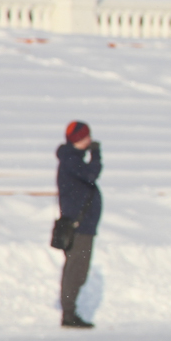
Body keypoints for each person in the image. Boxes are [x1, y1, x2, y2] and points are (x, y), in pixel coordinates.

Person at [56, 121, 102, 329]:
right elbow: (92, 174)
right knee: (76, 270)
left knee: (78, 270)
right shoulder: (71, 161)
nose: (89, 140)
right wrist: (96, 155)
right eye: (86, 137)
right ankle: (69, 313)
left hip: (82, 226)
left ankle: (70, 311)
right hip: (79, 227)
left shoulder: (72, 160)